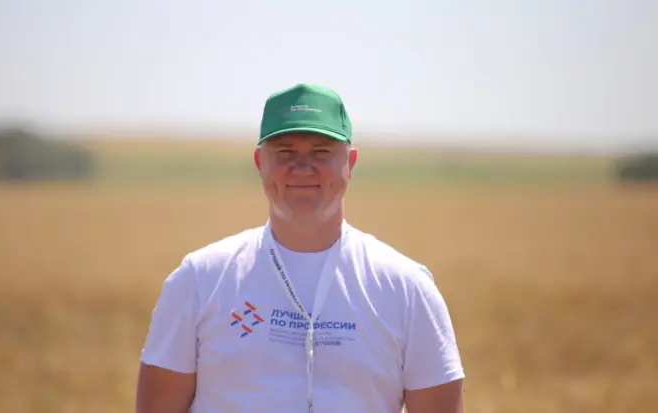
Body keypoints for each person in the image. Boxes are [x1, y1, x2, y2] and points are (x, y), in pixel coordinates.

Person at [135, 83, 466, 413]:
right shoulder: (199, 281)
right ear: (259, 162)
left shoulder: (408, 290)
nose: (303, 167)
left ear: (350, 162)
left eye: (321, 152)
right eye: (285, 152)